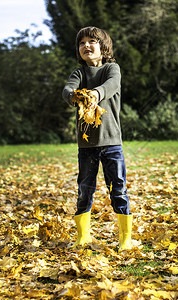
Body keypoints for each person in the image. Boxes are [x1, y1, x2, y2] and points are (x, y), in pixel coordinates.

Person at [62, 26, 132, 251]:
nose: (86, 46)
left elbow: (110, 86)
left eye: (91, 41)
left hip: (111, 143)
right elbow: (67, 90)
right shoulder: (79, 74)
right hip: (87, 146)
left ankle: (125, 238)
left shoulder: (112, 68)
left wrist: (95, 93)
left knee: (118, 188)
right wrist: (75, 95)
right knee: (84, 188)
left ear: (103, 47)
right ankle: (83, 236)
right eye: (81, 43)